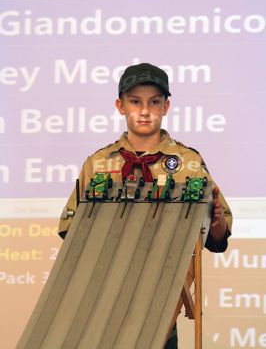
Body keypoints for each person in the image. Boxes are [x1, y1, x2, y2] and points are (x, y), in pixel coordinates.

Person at [58, 63, 232, 349]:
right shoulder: (99, 162)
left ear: (166, 107)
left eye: (154, 102)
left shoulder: (188, 162)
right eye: (135, 101)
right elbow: (71, 230)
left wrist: (215, 225)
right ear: (120, 106)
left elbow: (217, 236)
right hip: (104, 301)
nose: (145, 110)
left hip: (162, 302)